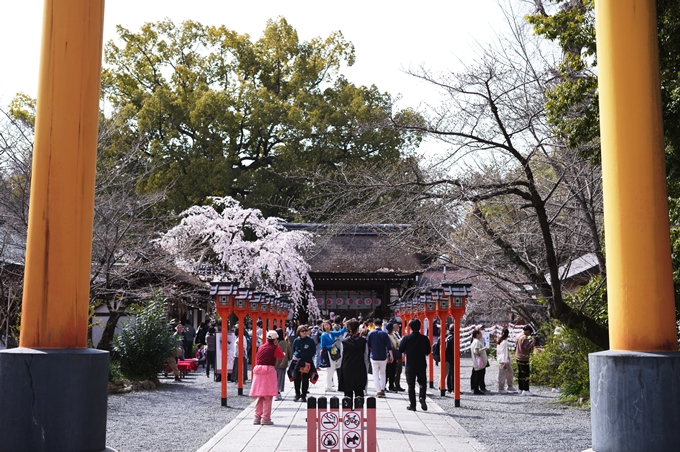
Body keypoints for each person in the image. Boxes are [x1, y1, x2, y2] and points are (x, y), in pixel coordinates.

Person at [250, 330, 285, 425]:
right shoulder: (275, 347)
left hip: (258, 371)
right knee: (268, 396)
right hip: (268, 371)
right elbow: (281, 356)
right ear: (275, 339)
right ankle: (266, 418)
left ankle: (256, 417)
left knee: (260, 396)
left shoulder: (261, 347)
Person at [399, 318, 431, 412]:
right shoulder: (424, 338)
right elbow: (428, 351)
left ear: (410, 327)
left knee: (411, 385)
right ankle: (422, 397)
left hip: (410, 364)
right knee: (422, 383)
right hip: (421, 363)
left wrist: (407, 351)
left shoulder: (406, 338)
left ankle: (413, 405)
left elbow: (400, 349)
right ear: (420, 326)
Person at [339, 320, 368, 408]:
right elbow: (366, 356)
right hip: (359, 367)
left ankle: (348, 412)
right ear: (357, 329)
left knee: (348, 391)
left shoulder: (344, 342)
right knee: (359, 391)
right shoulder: (363, 342)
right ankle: (359, 411)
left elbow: (341, 355)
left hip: (347, 367)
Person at [366, 318, 393, 397]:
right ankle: (382, 389)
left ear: (374, 324)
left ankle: (378, 391)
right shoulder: (384, 334)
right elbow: (389, 346)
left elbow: (368, 344)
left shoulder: (370, 333)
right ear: (381, 325)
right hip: (383, 356)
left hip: (374, 355)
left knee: (375, 374)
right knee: (383, 373)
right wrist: (391, 355)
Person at [291, 324, 316, 402]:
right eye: (302, 331)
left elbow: (313, 350)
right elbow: (293, 350)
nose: (304, 332)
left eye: (305, 330)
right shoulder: (296, 340)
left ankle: (304, 394)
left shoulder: (310, 340)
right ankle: (297, 394)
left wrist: (308, 357)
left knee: (305, 378)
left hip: (307, 361)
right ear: (299, 332)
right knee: (296, 378)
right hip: (297, 361)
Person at [515, 325, 536, 396]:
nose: (529, 334)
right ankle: (526, 389)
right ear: (527, 331)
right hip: (524, 357)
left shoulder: (518, 335)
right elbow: (527, 347)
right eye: (529, 332)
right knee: (525, 374)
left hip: (518, 356)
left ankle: (520, 388)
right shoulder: (524, 337)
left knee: (520, 374)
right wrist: (532, 342)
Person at [496, 328, 516, 393]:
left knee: (509, 373)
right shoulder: (504, 342)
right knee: (502, 374)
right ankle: (501, 388)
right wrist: (505, 362)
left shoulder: (500, 341)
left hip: (503, 359)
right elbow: (505, 352)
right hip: (504, 360)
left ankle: (510, 386)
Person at [274, 328, 292, 401]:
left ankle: (274, 392)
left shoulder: (274, 342)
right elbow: (290, 353)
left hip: (274, 362)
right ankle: (278, 392)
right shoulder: (285, 343)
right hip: (283, 363)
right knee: (280, 378)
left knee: (274, 378)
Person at [471, 329, 489, 394]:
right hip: (479, 361)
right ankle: (476, 389)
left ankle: (475, 388)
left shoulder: (475, 341)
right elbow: (476, 351)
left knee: (477, 375)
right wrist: (483, 349)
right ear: (477, 334)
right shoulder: (477, 342)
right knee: (478, 375)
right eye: (480, 333)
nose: (481, 334)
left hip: (476, 361)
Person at [385, 323, 401, 392]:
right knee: (387, 371)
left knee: (393, 371)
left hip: (395, 354)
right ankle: (384, 385)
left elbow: (397, 344)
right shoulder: (386, 336)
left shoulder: (394, 335)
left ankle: (391, 385)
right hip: (389, 355)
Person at [445, 324, 456, 393]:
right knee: (452, 373)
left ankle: (449, 387)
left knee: (450, 373)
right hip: (452, 356)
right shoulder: (452, 338)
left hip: (448, 356)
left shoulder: (448, 336)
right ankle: (453, 388)